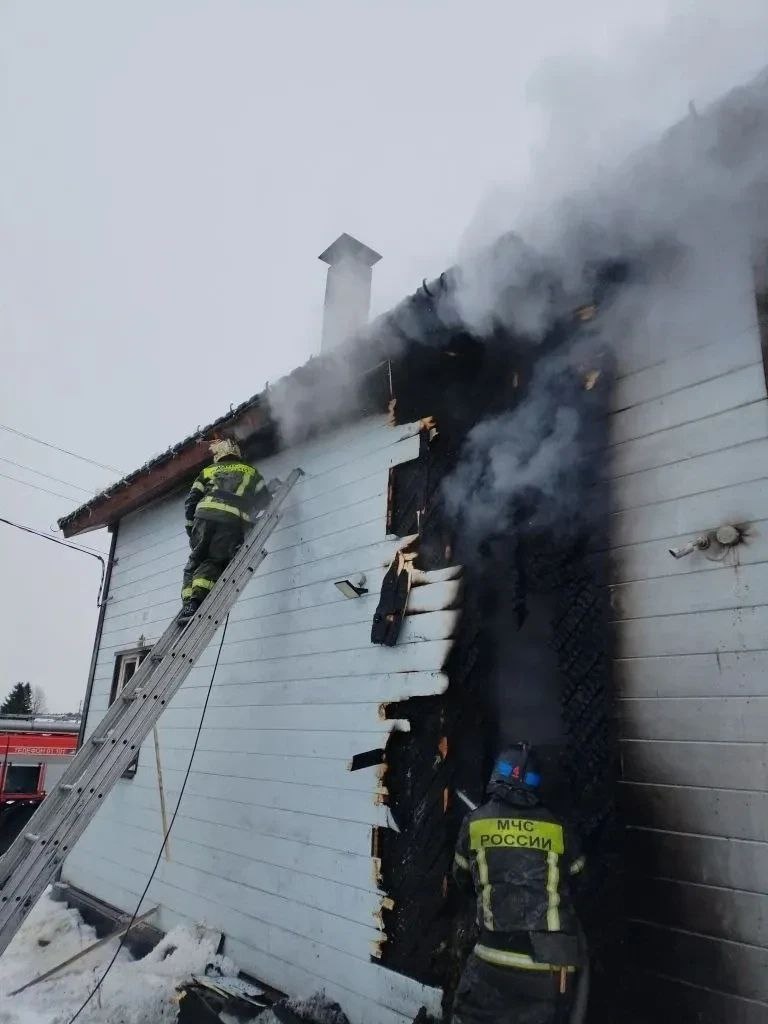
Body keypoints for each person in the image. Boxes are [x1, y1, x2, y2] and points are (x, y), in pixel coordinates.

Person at [452, 744, 585, 1024]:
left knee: (469, 1015)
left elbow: (462, 878)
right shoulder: (558, 827)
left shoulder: (475, 823)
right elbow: (579, 879)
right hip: (555, 965)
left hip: (496, 955)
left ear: (496, 777)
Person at [179, 437, 269, 621]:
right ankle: (197, 600)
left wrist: (191, 531)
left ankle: (189, 605)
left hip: (203, 519)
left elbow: (191, 503)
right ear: (238, 454)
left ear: (218, 456)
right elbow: (265, 501)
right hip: (231, 523)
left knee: (195, 561)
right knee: (215, 561)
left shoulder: (207, 471)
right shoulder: (250, 472)